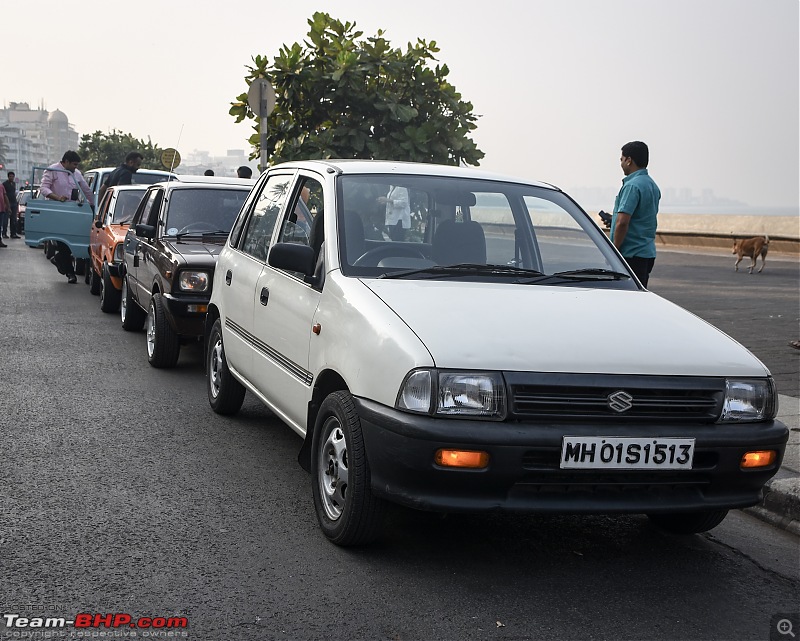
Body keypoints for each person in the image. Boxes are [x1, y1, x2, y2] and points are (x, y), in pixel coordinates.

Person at [610, 141, 661, 287]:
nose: (621, 163)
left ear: (629, 160)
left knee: (624, 298)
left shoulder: (632, 186)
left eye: (621, 159)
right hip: (647, 253)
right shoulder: (652, 185)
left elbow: (622, 222)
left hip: (630, 254)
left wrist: (614, 250)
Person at [39, 150, 95, 283]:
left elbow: (86, 190)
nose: (76, 167)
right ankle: (71, 273)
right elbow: (44, 188)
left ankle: (59, 259)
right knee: (63, 242)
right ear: (66, 162)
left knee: (70, 242)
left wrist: (93, 206)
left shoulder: (77, 174)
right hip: (57, 211)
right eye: (74, 164)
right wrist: (57, 198)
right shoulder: (52, 170)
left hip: (73, 212)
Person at [2, 171, 19, 238]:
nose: (11, 178)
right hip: (7, 203)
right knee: (5, 220)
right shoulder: (5, 184)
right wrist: (5, 204)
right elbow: (4, 194)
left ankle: (13, 233)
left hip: (14, 203)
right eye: (10, 176)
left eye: (12, 176)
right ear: (8, 177)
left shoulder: (14, 184)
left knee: (14, 219)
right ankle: (4, 233)